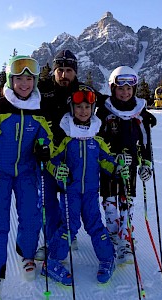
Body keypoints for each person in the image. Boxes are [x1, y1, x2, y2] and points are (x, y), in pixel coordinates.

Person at [0, 50, 92, 260]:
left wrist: (140, 112)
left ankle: (66, 235)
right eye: (60, 70)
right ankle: (52, 242)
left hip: (71, 152)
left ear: (75, 72)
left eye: (69, 71)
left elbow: (105, 104)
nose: (64, 75)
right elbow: (11, 97)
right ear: (54, 71)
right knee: (47, 201)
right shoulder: (43, 88)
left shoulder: (84, 90)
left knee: (70, 200)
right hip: (45, 153)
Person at [0, 55, 53, 299]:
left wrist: (44, 147)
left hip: (27, 172)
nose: (24, 84)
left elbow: (48, 137)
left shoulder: (39, 109)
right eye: (19, 79)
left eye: (29, 78)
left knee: (31, 216)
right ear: (10, 80)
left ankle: (28, 255)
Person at [42, 85, 128, 285]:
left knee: (95, 225)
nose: (83, 111)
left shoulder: (96, 138)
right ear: (72, 109)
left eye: (87, 107)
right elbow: (51, 160)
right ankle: (52, 261)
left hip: (90, 192)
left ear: (93, 109)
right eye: (79, 107)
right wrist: (57, 170)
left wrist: (117, 168)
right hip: (69, 192)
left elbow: (106, 160)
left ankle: (108, 259)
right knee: (70, 226)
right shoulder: (66, 137)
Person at [96, 66, 156, 265]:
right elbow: (98, 139)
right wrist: (110, 159)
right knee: (110, 204)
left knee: (126, 204)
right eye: (121, 88)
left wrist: (146, 163)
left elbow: (145, 142)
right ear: (113, 88)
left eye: (130, 88)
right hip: (110, 166)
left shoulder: (140, 113)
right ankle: (114, 237)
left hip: (129, 166)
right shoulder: (104, 111)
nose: (125, 92)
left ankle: (126, 239)